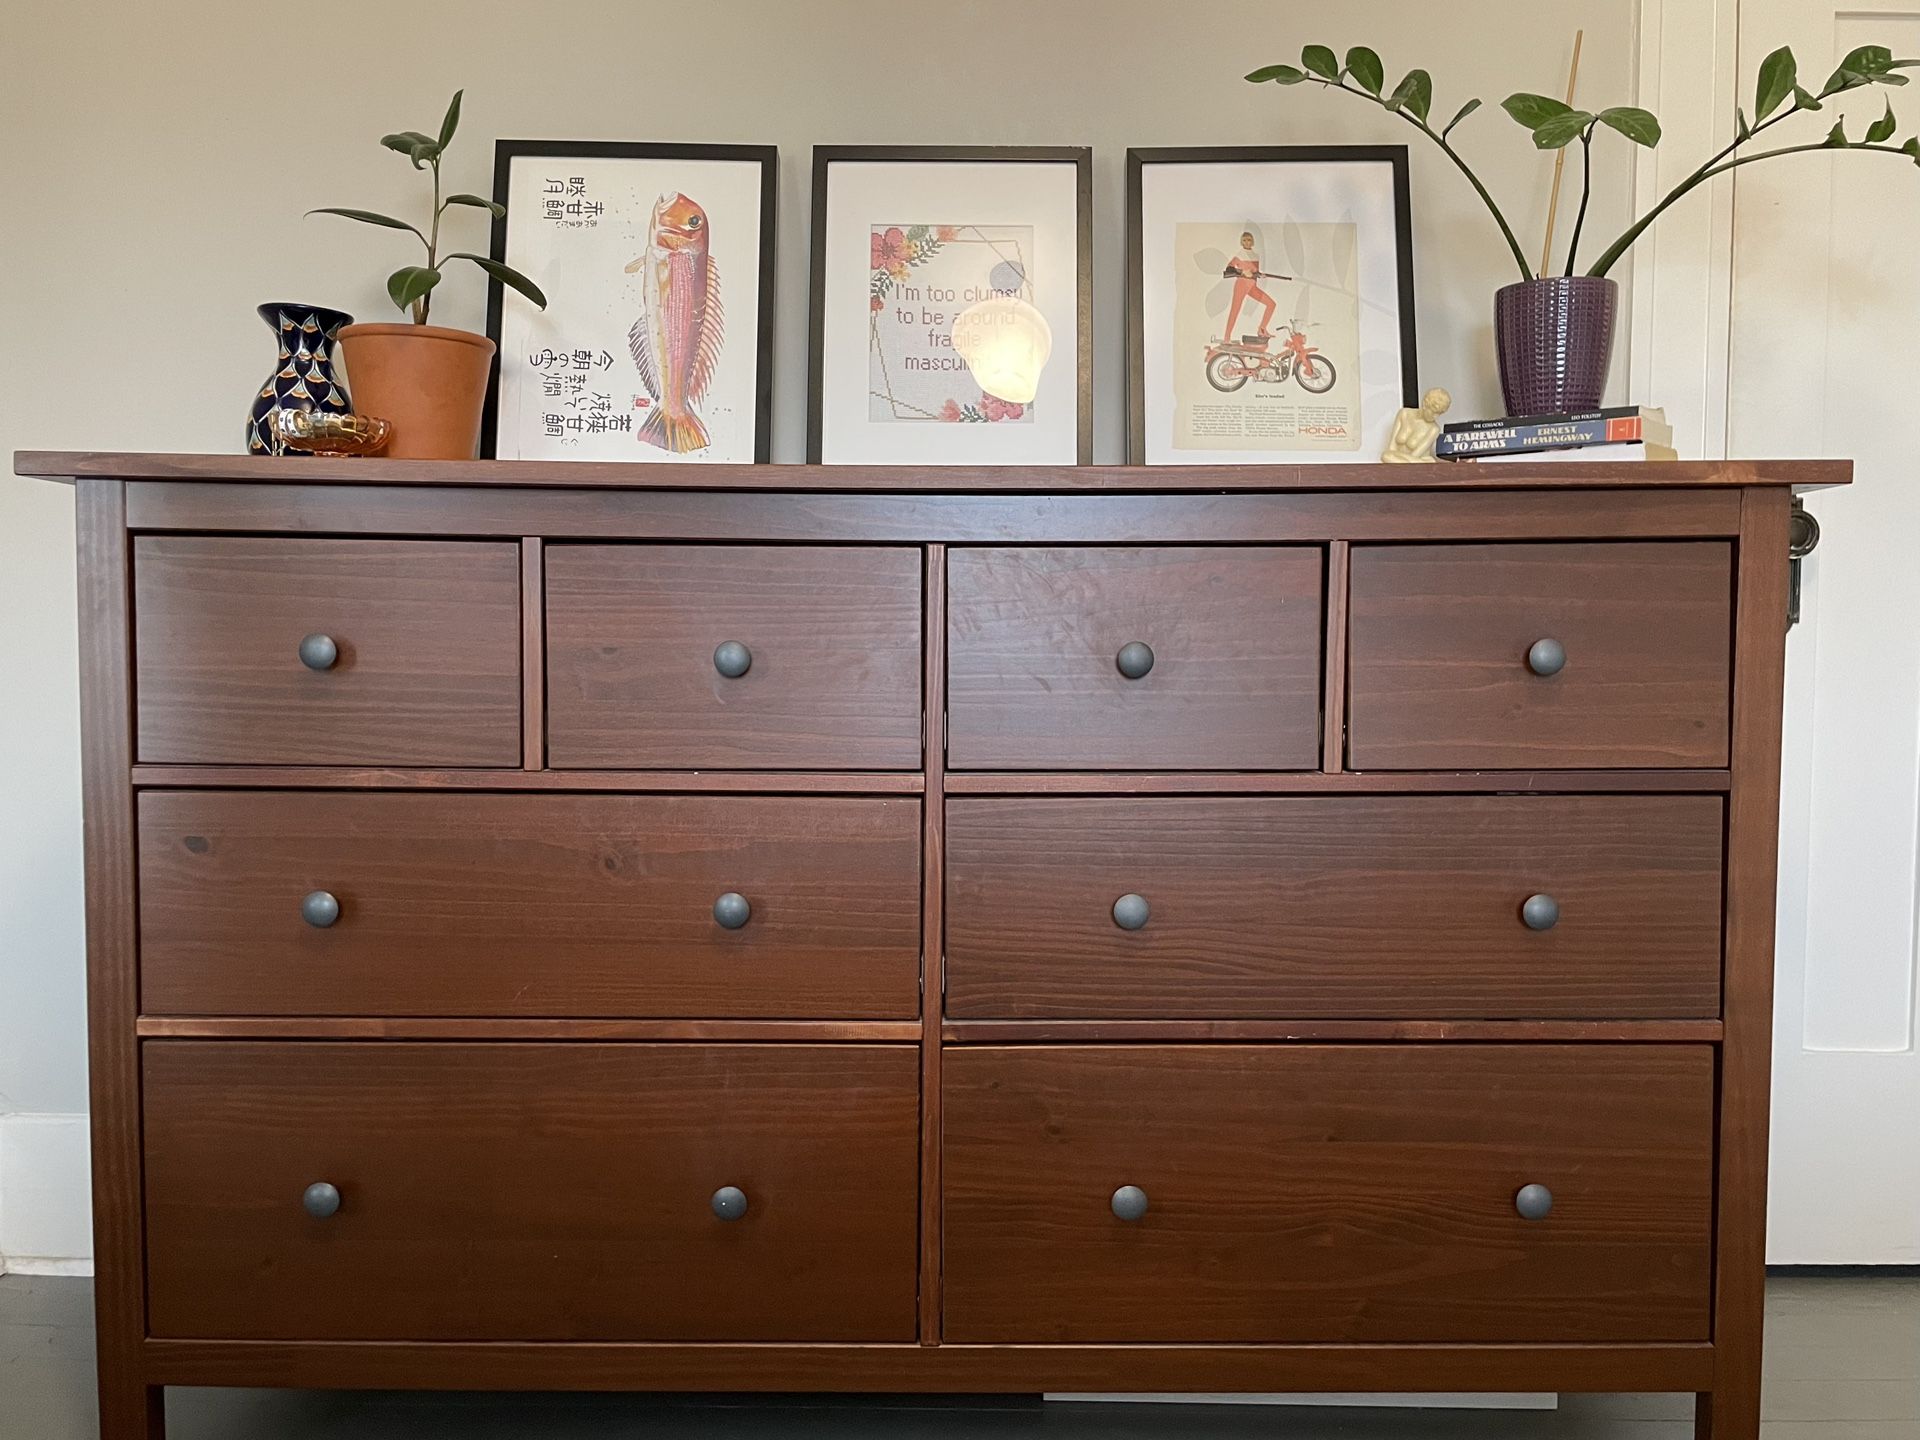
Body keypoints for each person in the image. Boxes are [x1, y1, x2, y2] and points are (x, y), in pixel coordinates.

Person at [1222, 231, 1278, 341]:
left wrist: (1260, 274)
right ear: (1241, 242)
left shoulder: (1256, 255)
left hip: (1252, 286)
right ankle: (1226, 337)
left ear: (1252, 242)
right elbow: (1229, 269)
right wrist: (1242, 272)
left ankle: (1262, 329)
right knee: (1235, 311)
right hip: (1241, 285)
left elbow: (1254, 272)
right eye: (1244, 240)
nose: (1247, 242)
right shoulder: (1240, 254)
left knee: (1271, 304)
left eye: (1249, 240)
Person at [1382, 387, 1453, 463]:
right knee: (1386, 455)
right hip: (1413, 461)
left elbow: (1415, 455)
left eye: (1439, 414)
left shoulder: (1434, 429)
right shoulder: (1404, 413)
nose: (1436, 416)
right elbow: (1391, 449)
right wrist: (1418, 461)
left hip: (1414, 464)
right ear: (1425, 404)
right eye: (1434, 412)